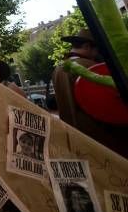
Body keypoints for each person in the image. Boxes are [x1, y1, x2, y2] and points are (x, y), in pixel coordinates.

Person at [52, 29, 128, 158]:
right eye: (97, 50)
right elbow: (111, 106)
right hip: (102, 139)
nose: (97, 54)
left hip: (74, 138)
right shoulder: (91, 67)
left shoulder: (58, 69)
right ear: (87, 46)